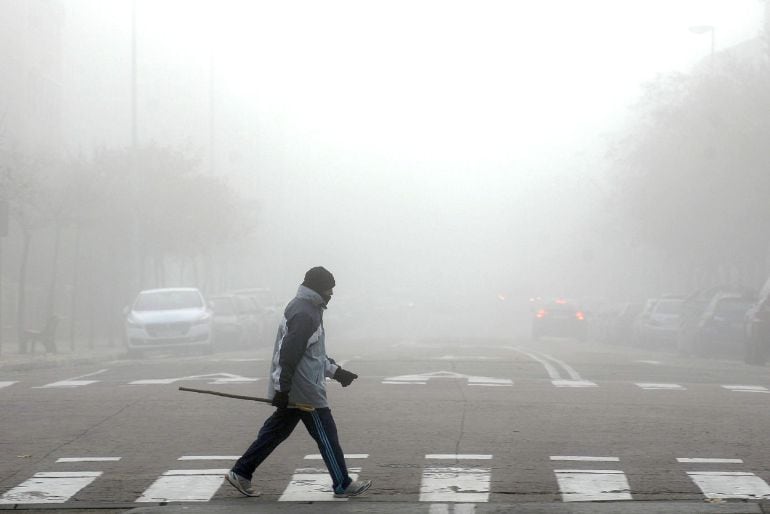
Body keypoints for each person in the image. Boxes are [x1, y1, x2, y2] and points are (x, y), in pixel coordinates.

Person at [224, 266, 372, 498]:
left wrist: (337, 372)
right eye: (328, 289)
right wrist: (283, 388)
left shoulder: (308, 308)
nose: (331, 294)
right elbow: (288, 354)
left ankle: (241, 472)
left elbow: (312, 355)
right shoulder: (305, 314)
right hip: (303, 391)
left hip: (298, 387)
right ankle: (342, 483)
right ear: (317, 289)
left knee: (275, 432)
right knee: (326, 434)